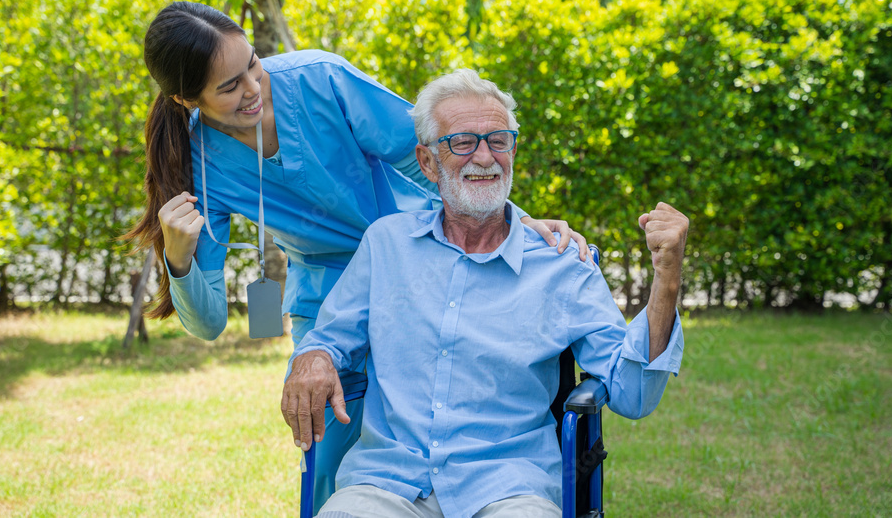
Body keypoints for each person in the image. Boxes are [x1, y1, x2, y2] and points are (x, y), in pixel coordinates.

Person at [122, 2, 589, 512]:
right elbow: (208, 323)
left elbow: (431, 152)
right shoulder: (196, 163)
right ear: (186, 98)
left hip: (421, 264)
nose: (254, 89)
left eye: (253, 64)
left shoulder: (320, 80)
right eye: (230, 87)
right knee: (338, 454)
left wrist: (508, 219)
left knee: (447, 415)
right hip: (325, 296)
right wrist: (180, 257)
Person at [282, 68, 688, 518]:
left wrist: (666, 279)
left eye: (498, 140)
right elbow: (330, 338)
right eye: (462, 142)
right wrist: (313, 357)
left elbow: (631, 393)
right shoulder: (386, 244)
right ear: (427, 161)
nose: (484, 157)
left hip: (509, 489)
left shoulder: (560, 265)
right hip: (386, 483)